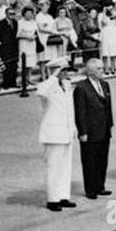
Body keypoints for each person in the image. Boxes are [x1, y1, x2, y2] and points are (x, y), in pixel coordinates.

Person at [37, 61, 77, 211]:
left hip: (66, 132)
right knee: (53, 167)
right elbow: (40, 91)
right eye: (63, 70)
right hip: (53, 133)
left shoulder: (66, 86)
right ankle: (52, 199)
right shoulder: (48, 86)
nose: (66, 73)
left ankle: (63, 196)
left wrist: (73, 128)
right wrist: (53, 76)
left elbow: (70, 110)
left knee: (65, 167)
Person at [73, 57, 115, 200]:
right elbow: (80, 112)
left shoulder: (104, 84)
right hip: (90, 130)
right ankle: (90, 189)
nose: (102, 71)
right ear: (90, 72)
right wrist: (82, 131)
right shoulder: (81, 88)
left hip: (104, 129)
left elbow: (108, 107)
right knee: (90, 160)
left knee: (102, 159)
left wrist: (110, 125)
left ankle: (100, 186)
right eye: (99, 69)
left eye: (102, 68)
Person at [99, 5, 116, 74]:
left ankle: (113, 68)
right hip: (106, 33)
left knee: (113, 52)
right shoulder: (101, 15)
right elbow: (104, 22)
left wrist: (113, 13)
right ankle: (106, 68)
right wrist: (104, 11)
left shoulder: (114, 15)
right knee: (105, 51)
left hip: (113, 33)